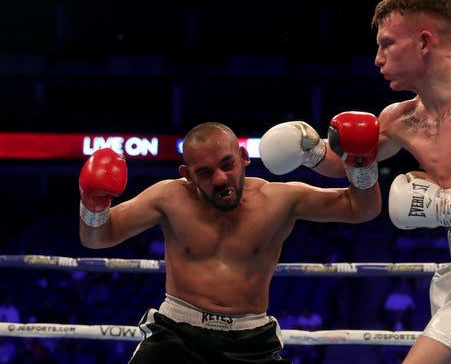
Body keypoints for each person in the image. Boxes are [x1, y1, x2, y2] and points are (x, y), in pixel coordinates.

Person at [260, 0, 451, 364]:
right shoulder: (401, 119)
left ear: (423, 42)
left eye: (386, 44)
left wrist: (441, 207)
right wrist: (310, 149)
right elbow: (351, 164)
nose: (377, 59)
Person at [78, 118, 381, 364]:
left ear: (244, 158)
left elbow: (361, 208)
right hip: (176, 336)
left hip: (250, 341)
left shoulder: (278, 200)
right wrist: (93, 204)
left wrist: (361, 162)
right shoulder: (169, 197)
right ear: (188, 175)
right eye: (205, 173)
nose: (221, 179)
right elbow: (98, 237)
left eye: (227, 164)